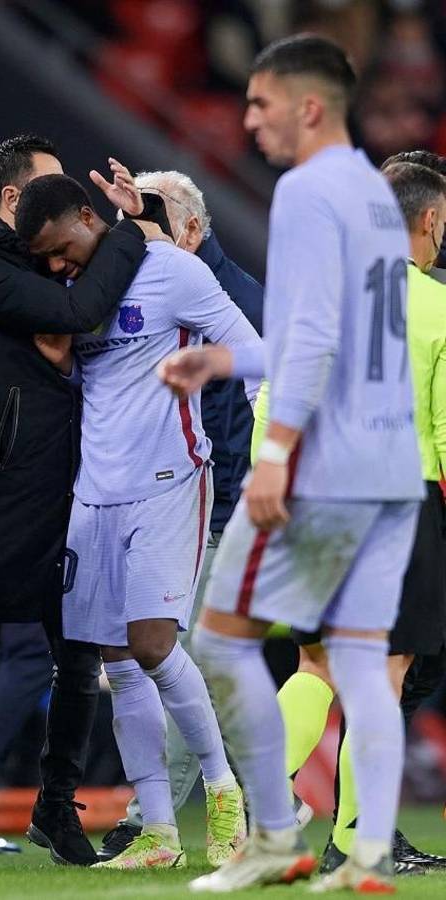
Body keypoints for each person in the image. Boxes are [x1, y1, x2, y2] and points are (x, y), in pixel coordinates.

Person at [160, 35, 423, 893]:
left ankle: (273, 832)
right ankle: (369, 856)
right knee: (363, 661)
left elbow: (311, 338)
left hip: (324, 463)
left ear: (308, 107)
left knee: (220, 638)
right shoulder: (378, 198)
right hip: (391, 464)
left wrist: (276, 453)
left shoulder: (309, 191)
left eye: (260, 102)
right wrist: (230, 360)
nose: (247, 120)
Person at [0, 135, 157, 869]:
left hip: (61, 491)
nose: (64, 202)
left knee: (79, 663)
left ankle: (56, 809)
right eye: (49, 187)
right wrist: (128, 232)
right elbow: (81, 311)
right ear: (12, 199)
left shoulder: (34, 261)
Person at [15, 173, 261, 870]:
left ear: (88, 216)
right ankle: (158, 831)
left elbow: (253, 351)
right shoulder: (75, 296)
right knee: (118, 663)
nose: (56, 265)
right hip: (95, 494)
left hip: (169, 481)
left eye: (60, 248)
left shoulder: (173, 272)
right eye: (45, 259)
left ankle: (222, 795)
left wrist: (272, 446)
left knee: (153, 644)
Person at [269, 158, 446, 876]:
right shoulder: (438, 307)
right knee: (384, 675)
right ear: (429, 220)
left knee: (315, 663)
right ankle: (353, 842)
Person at [94, 168, 263, 866]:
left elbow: (252, 394)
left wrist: (249, 488)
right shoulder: (125, 284)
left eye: (151, 218)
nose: (136, 235)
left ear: (190, 227)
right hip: (124, 492)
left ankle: (175, 812)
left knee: (167, 650)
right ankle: (189, 813)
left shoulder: (228, 294)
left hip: (214, 499)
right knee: (142, 655)